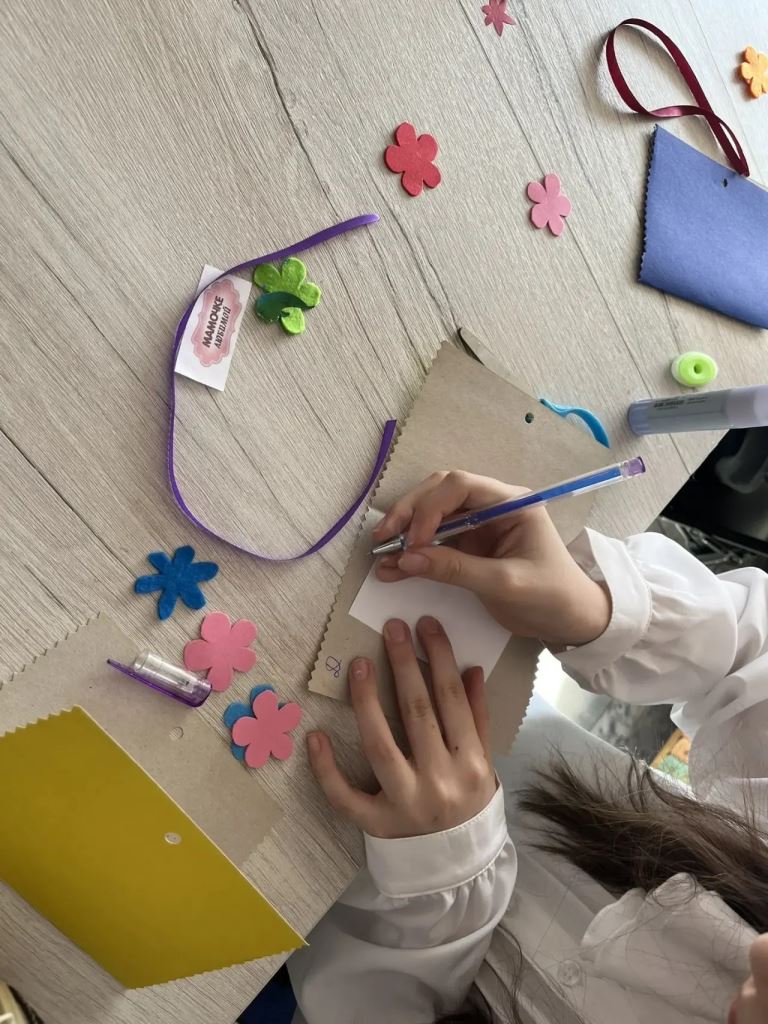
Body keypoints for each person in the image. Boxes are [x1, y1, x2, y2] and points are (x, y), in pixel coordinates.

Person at [287, 471, 768, 1024]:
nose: (757, 950)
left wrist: (442, 870)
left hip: (308, 859)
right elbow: (752, 655)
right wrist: (601, 611)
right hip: (447, 712)